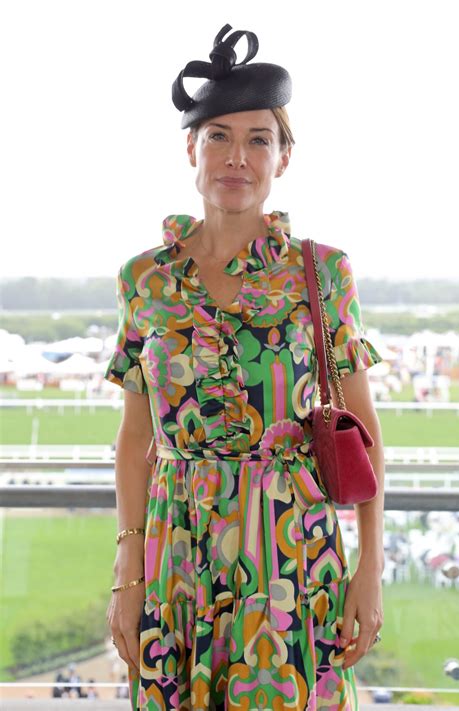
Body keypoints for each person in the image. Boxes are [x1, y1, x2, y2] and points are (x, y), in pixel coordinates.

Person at [105, 24, 385, 711]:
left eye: (259, 138)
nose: (238, 157)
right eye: (219, 136)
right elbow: (135, 440)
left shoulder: (322, 273)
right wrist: (128, 567)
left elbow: (366, 435)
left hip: (291, 554)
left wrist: (368, 565)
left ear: (284, 158)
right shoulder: (146, 279)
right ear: (191, 150)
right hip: (179, 554)